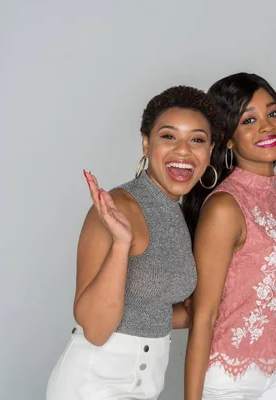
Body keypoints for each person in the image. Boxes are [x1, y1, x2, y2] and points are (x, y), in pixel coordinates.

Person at [46, 86, 222, 400]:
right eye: (169, 136)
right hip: (93, 386)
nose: (183, 150)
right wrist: (120, 244)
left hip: (146, 387)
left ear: (209, 152)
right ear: (146, 143)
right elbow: (97, 330)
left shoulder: (179, 214)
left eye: (197, 139)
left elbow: (151, 310)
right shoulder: (117, 208)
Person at [182, 73, 276, 400]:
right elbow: (204, 314)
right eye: (249, 120)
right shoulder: (225, 206)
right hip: (230, 378)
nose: (267, 126)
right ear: (227, 138)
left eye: (273, 113)